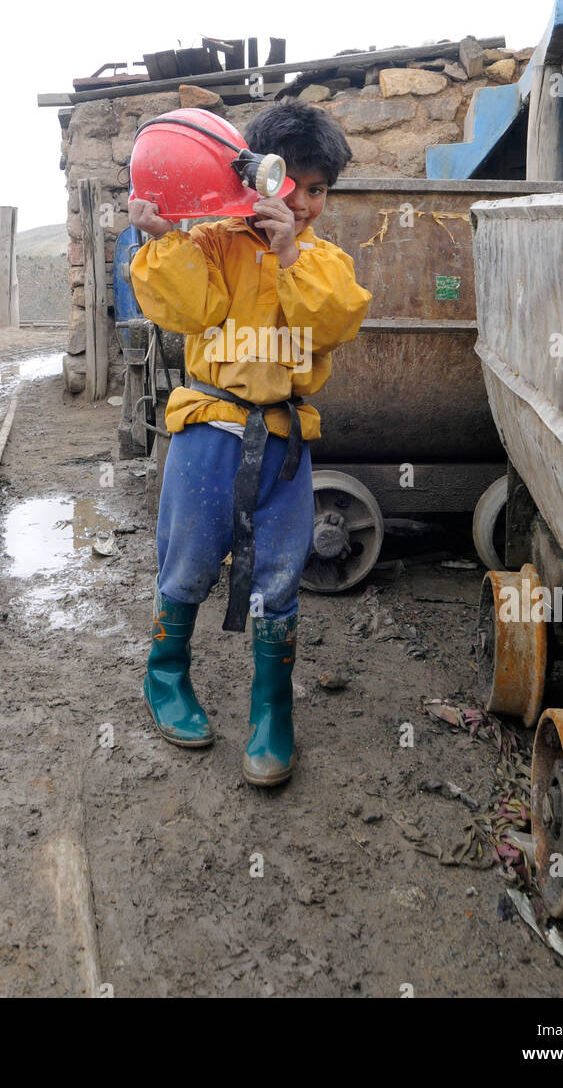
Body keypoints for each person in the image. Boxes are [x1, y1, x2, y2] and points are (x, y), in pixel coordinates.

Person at [128, 98, 372, 786]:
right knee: (188, 564)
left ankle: (272, 712)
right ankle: (165, 678)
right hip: (210, 431)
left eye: (318, 189)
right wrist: (159, 240)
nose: (304, 203)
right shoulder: (209, 245)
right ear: (252, 179)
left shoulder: (322, 260)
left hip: (284, 441)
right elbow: (185, 310)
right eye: (289, 184)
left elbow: (332, 323)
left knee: (277, 576)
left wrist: (291, 253)